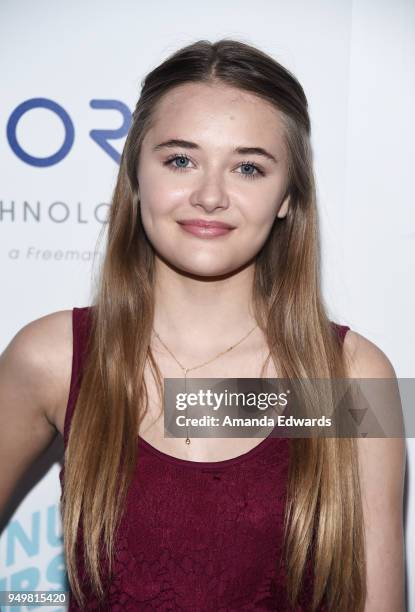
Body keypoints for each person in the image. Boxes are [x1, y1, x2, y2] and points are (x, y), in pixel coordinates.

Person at [0, 39, 406, 611]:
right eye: (180, 160)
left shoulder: (351, 377)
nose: (211, 196)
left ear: (289, 195)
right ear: (136, 173)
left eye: (248, 167)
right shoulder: (52, 358)